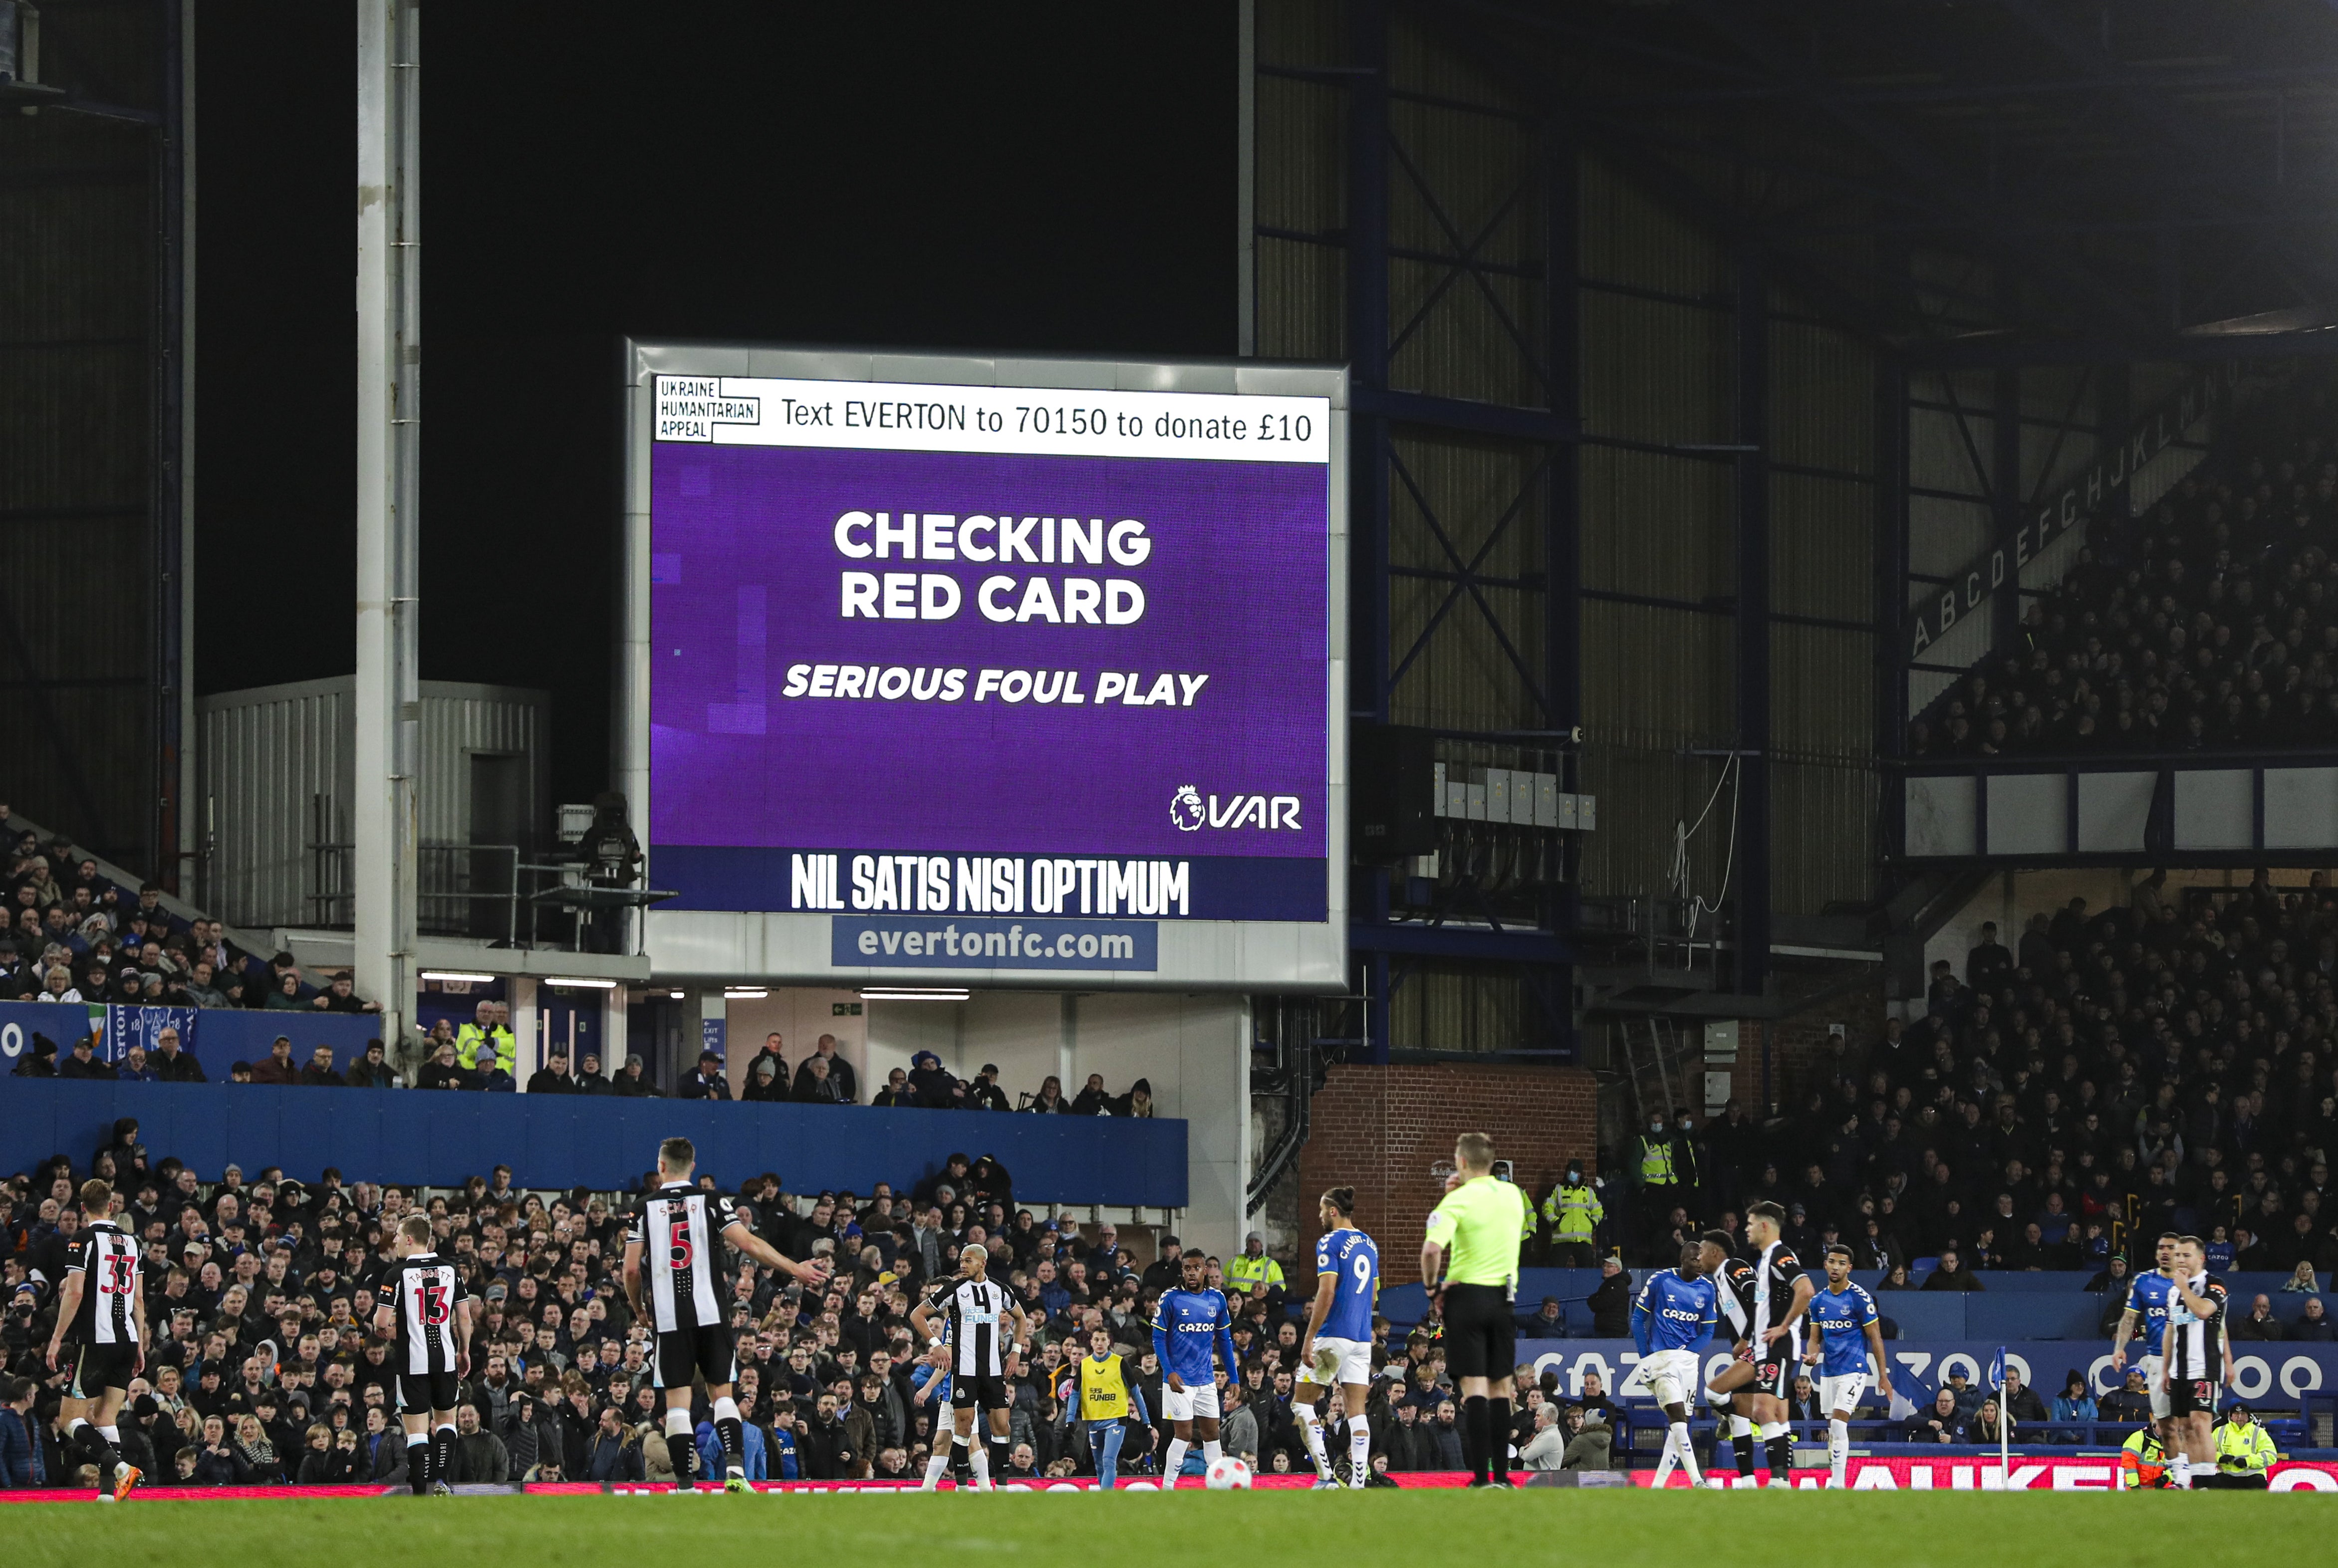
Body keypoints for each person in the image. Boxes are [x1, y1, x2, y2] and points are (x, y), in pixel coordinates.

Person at [624, 1136, 831, 1490]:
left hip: (670, 1318)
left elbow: (630, 1270)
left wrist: (640, 1309)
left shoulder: (643, 1206)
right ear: (692, 1166)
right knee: (722, 1392)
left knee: (677, 1401)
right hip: (710, 1312)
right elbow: (750, 1243)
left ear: (661, 1167)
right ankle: (735, 1470)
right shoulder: (711, 1200)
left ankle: (685, 1485)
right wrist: (795, 1269)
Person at [1419, 1131, 1534, 1488]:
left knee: (1474, 1390)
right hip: (1503, 1298)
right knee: (1502, 1388)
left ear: (1462, 1161)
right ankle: (1503, 1477)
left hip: (1465, 1298)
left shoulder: (1457, 1200)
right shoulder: (1514, 1195)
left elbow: (1431, 1250)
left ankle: (1481, 1480)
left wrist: (1431, 1287)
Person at [41, 1179, 145, 1500]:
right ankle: (107, 1496)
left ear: (83, 1208)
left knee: (68, 1418)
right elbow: (139, 1301)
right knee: (105, 1418)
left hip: (96, 1339)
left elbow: (74, 1292)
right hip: (127, 1339)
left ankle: (121, 1470)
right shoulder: (133, 1243)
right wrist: (141, 1345)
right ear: (111, 1206)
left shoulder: (83, 1240)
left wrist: (57, 1338)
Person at [1703, 1202, 1809, 1489]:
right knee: (1755, 1413)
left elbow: (1797, 1292)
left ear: (1764, 1225)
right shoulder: (1760, 1263)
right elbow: (1759, 1306)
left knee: (1722, 1395)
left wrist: (1750, 1338)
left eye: (1750, 1224)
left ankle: (1780, 1478)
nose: (1745, 1230)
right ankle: (1751, 1479)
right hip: (1763, 1346)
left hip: (1769, 1345)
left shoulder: (1736, 1267)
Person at [910, 1243, 1031, 1491]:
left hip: (989, 1373)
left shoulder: (998, 1291)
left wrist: (1016, 1352)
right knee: (954, 1437)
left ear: (982, 1262)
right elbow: (920, 1319)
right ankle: (962, 1487)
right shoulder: (954, 1300)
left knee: (981, 1433)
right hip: (961, 1378)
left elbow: (1021, 1317)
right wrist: (935, 1346)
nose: (963, 1265)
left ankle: (991, 1488)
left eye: (968, 1261)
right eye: (961, 1262)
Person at [373, 1212, 473, 1496]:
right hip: (445, 1359)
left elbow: (381, 1322)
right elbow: (464, 1317)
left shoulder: (396, 1274)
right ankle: (441, 1482)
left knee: (416, 1432)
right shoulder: (451, 1270)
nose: (394, 1241)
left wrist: (388, 1330)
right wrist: (464, 1351)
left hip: (411, 1362)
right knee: (446, 1422)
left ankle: (420, 1495)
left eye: (397, 1236)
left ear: (408, 1238)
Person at [1295, 1185, 1379, 1490]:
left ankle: (1325, 1476)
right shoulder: (1370, 1244)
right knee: (1358, 1411)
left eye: (1321, 1210)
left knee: (1302, 1405)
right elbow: (1372, 1296)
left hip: (1333, 1337)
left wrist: (1310, 1337)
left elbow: (1326, 1291)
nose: (1319, 1216)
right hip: (1361, 1338)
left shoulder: (1329, 1242)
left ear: (1332, 1211)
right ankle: (1358, 1484)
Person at [1802, 1242, 1891, 1488]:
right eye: (1832, 1262)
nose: (1836, 1267)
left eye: (1842, 1263)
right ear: (1825, 1264)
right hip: (1829, 1371)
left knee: (1840, 1423)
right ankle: (1835, 1473)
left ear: (1849, 1268)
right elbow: (1813, 1340)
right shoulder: (1818, 1301)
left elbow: (1875, 1338)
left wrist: (1882, 1375)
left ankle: (1838, 1482)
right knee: (1833, 1429)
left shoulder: (1860, 1298)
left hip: (1854, 1369)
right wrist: (1812, 1356)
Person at [1146, 1248, 1239, 1488]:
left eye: (1196, 1268)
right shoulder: (1171, 1298)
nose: (1191, 1273)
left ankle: (1219, 1486)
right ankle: (1167, 1487)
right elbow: (1157, 1339)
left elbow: (1225, 1340)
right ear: (1183, 1271)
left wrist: (1234, 1377)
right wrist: (1169, 1371)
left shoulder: (1217, 1299)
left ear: (1205, 1270)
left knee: (1212, 1435)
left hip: (1206, 1380)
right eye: (1187, 1268)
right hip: (1180, 1380)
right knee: (1184, 1435)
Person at [1630, 1240, 1718, 1488]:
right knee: (1678, 1418)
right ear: (1682, 1259)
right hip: (1661, 1361)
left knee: (1680, 1426)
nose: (1700, 1264)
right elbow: (1638, 1320)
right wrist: (1645, 1355)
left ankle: (1658, 1486)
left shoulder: (1707, 1289)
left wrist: (1687, 1352)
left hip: (1688, 1362)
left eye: (1702, 1259)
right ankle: (1698, 1480)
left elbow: (1707, 1333)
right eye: (1694, 1259)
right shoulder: (1661, 1281)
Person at [2160, 1234, 2231, 1490]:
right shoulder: (2173, 1292)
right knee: (2185, 1427)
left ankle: (2209, 1483)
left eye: (2186, 1255)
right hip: (2179, 1369)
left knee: (2201, 1423)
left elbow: (2203, 1311)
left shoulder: (2215, 1285)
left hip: (2205, 1366)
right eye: (2178, 1255)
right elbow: (2170, 1331)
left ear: (2201, 1258)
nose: (2180, 1260)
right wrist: (2166, 1369)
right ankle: (2198, 1484)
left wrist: (2184, 1288)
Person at [2114, 1232, 2182, 1455]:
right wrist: (2119, 1348)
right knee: (2165, 1426)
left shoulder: (2193, 1281)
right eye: (2162, 1247)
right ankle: (2179, 1478)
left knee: (2192, 1423)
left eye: (2171, 1248)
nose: (2165, 1252)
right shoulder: (2143, 1281)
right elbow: (2129, 1318)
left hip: (2187, 1359)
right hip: (2156, 1359)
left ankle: (2200, 1476)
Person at [1069, 1325, 1150, 1490]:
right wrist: (1070, 1419)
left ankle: (1105, 1498)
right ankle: (1106, 1497)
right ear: (1091, 1342)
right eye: (1097, 1340)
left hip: (1116, 1418)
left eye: (1103, 1340)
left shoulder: (1119, 1363)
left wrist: (1146, 1420)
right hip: (1094, 1419)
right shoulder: (1085, 1365)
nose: (1100, 1343)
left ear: (1109, 1342)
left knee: (1108, 1460)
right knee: (1099, 1465)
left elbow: (1135, 1392)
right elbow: (1075, 1394)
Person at [1540, 1160, 1602, 1266]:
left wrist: (1593, 1223)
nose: (1570, 1173)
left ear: (1580, 1174)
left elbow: (1598, 1210)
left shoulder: (1589, 1192)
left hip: (1583, 1240)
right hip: (1561, 1238)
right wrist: (1555, 1221)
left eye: (1574, 1171)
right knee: (1556, 1271)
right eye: (1569, 1170)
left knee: (1586, 1272)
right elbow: (1547, 1208)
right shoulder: (1558, 1189)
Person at [2211, 1401, 2276, 1487]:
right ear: (2231, 1416)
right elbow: (2206, 1452)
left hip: (2251, 1475)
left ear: (2248, 1416)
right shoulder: (2219, 1431)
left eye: (2243, 1414)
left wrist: (2248, 1462)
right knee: (2214, 1481)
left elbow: (2271, 1456)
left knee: (2259, 1481)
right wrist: (2220, 1458)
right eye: (2236, 1414)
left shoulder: (2259, 1432)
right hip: (2227, 1475)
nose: (2240, 1417)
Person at [454, 1000, 516, 1082]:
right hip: (471, 1077)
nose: (486, 1014)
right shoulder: (466, 1029)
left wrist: (486, 1043)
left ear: (493, 1015)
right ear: (477, 1013)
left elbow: (509, 1045)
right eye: (483, 1011)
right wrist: (496, 1049)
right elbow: (473, 1050)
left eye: (490, 1012)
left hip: (499, 1078)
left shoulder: (504, 1031)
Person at [1587, 1254, 1632, 1337]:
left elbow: (1602, 1303)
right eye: (1604, 1266)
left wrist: (1594, 1300)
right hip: (1608, 1329)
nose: (1605, 1268)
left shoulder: (1618, 1284)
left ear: (1618, 1270)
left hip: (1614, 1330)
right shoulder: (1610, 1284)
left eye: (1609, 1266)